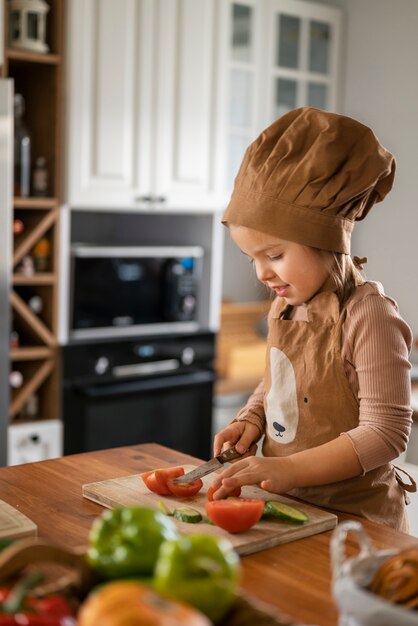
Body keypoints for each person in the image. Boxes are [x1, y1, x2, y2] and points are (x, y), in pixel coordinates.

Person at [212, 106, 416, 531]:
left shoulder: (369, 315)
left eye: (275, 255)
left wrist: (288, 470)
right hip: (288, 510)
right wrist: (251, 417)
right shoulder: (284, 305)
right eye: (252, 258)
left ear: (326, 244)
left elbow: (386, 433)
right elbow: (280, 379)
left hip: (357, 523)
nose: (262, 273)